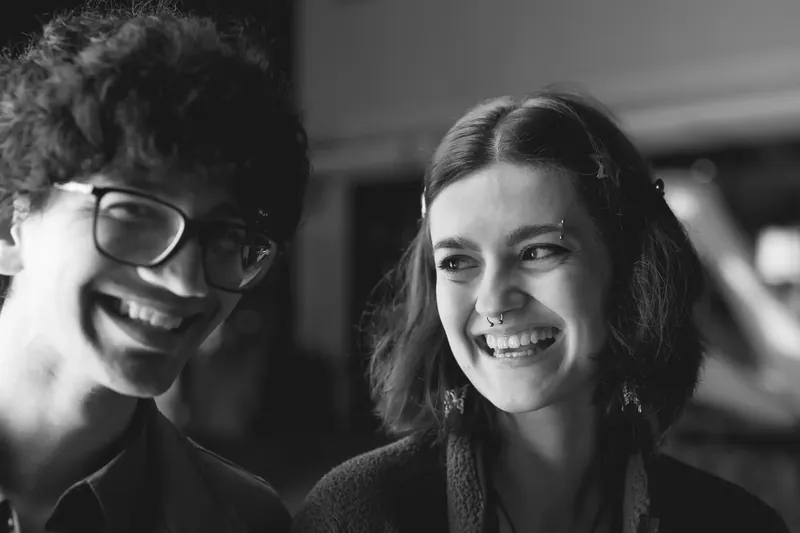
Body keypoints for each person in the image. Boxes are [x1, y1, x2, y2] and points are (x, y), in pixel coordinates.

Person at [291, 92, 789, 532]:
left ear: (629, 268)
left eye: (538, 252)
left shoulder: (733, 522)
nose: (492, 301)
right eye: (458, 262)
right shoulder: (359, 514)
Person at [0, 2, 308, 532]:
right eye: (135, 214)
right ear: (10, 223)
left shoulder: (241, 521)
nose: (186, 280)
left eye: (226, 235)